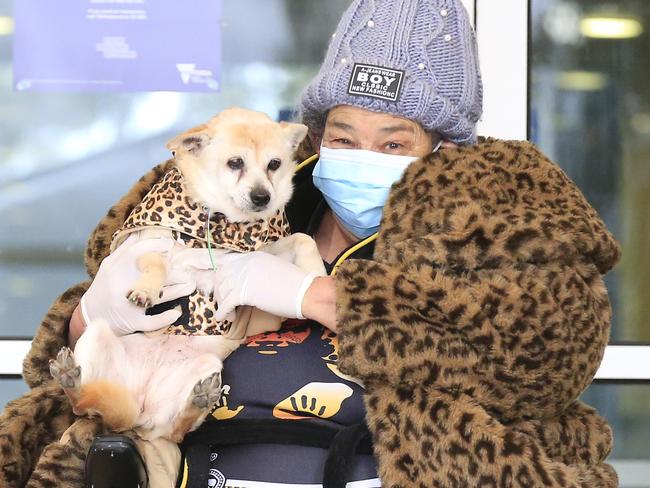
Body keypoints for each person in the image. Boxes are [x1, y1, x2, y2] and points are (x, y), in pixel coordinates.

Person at [0, 0, 622, 487]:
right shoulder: (244, 193)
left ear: (446, 153)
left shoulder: (491, 246)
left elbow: (541, 357)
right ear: (315, 136)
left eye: (394, 143)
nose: (359, 158)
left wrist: (321, 295)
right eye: (342, 135)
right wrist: (92, 316)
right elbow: (79, 357)